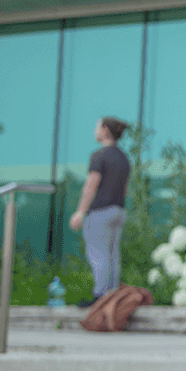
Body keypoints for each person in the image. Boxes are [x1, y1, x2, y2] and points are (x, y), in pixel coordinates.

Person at [69, 116, 131, 306]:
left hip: (100, 211)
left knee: (99, 254)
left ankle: (100, 296)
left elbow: (91, 186)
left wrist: (80, 211)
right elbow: (126, 188)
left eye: (97, 127)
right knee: (113, 255)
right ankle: (112, 297)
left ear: (105, 130)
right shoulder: (124, 158)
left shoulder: (99, 156)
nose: (95, 130)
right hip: (118, 211)